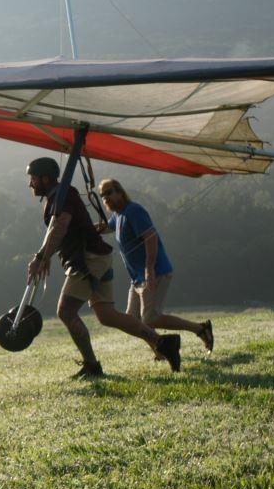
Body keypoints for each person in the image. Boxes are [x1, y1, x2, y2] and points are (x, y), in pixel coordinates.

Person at [25, 157, 181, 378]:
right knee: (106, 315)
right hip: (97, 257)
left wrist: (41, 256)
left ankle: (92, 366)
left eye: (33, 179)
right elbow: (59, 232)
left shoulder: (64, 196)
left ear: (45, 178)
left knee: (66, 311)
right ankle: (163, 342)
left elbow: (60, 227)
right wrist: (46, 255)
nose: (30, 184)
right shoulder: (56, 198)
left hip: (89, 260)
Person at [96, 177, 214, 357]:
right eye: (103, 196)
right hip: (137, 278)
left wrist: (149, 269)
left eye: (109, 192)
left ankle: (200, 329)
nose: (106, 198)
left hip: (154, 272)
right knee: (131, 320)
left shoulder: (133, 211)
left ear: (120, 192)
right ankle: (161, 350)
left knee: (149, 318)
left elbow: (151, 237)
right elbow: (104, 228)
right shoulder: (118, 215)